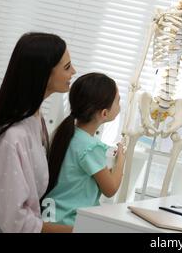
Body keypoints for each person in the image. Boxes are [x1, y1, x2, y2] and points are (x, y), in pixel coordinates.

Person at [0, 32, 76, 232]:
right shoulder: (11, 137)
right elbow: (15, 221)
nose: (74, 71)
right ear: (43, 73)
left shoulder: (36, 121)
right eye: (66, 67)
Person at [42, 73, 125, 226]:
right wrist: (121, 160)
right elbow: (110, 189)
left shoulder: (65, 135)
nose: (120, 105)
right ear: (104, 113)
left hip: (50, 215)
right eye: (118, 101)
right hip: (68, 222)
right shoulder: (91, 147)